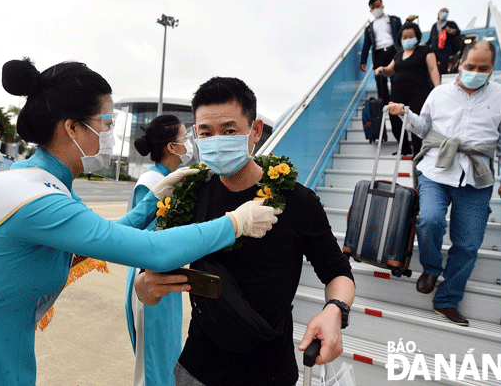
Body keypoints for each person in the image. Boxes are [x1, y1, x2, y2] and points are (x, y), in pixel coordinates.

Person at [0, 59, 280, 386]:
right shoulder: (38, 199)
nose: (110, 136)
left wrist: (154, 199)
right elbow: (150, 250)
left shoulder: (41, 181)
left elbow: (103, 235)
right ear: (73, 127)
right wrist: (236, 222)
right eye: (106, 124)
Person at [135, 77, 356, 386]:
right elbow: (148, 279)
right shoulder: (191, 195)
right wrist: (146, 288)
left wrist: (336, 309)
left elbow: (338, 273)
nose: (216, 141)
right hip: (195, 370)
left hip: (269, 373)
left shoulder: (297, 201)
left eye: (229, 131)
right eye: (205, 133)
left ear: (256, 131)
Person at [387, 41, 501, 326]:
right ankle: (432, 268)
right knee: (430, 220)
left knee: (468, 243)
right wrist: (405, 114)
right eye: (470, 66)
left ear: (491, 69)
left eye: (482, 68)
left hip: (476, 175)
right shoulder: (439, 93)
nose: (475, 72)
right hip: (436, 168)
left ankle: (447, 299)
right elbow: (424, 128)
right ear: (459, 64)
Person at [124, 114, 194, 386]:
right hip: (150, 280)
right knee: (154, 365)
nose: (188, 143)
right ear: (171, 148)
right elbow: (145, 238)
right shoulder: (152, 182)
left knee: (166, 359)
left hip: (166, 278)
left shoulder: (173, 179)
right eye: (184, 138)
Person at [376, 22, 440, 155]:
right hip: (398, 93)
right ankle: (404, 149)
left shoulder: (425, 50)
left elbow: (433, 69)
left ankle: (418, 153)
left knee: (418, 124)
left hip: (418, 93)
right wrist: (382, 69)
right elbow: (390, 70)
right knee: (395, 122)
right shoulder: (398, 55)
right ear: (400, 39)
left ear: (417, 36)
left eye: (410, 36)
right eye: (404, 37)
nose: (407, 39)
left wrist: (438, 89)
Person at [360, 0, 415, 105]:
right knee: (380, 82)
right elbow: (366, 45)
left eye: (378, 5)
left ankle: (398, 103)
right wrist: (363, 61)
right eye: (373, 7)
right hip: (379, 54)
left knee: (396, 79)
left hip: (393, 52)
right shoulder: (369, 27)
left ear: (382, 5)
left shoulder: (394, 20)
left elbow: (402, 33)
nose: (376, 8)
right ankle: (384, 106)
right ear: (370, 10)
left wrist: (408, 21)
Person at [428, 8, 462, 77]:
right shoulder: (434, 26)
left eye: (446, 12)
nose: (445, 13)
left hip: (446, 50)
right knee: (434, 66)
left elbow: (457, 32)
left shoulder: (451, 24)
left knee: (444, 67)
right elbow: (431, 38)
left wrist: (450, 30)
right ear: (438, 13)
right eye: (443, 11)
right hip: (435, 50)